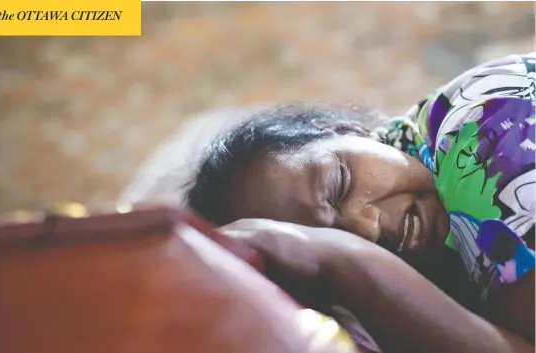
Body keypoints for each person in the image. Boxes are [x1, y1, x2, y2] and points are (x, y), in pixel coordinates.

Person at [184, 53, 535, 352]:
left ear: (348, 130)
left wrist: (344, 261)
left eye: (339, 184)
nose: (367, 228)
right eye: (336, 237)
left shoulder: (482, 122)